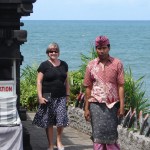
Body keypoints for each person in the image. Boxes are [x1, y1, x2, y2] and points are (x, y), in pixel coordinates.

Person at [83, 36, 124, 150]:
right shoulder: (91, 65)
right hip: (95, 105)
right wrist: (86, 108)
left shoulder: (117, 64)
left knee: (111, 136)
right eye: (99, 48)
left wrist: (121, 106)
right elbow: (88, 88)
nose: (101, 51)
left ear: (109, 48)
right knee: (98, 136)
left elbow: (120, 86)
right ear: (96, 49)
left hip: (112, 105)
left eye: (104, 48)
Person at [32, 42, 70, 150]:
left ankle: (58, 141)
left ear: (58, 52)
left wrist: (67, 94)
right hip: (47, 95)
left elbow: (66, 81)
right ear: (48, 53)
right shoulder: (44, 65)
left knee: (60, 120)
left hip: (61, 96)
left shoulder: (64, 64)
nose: (53, 52)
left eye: (55, 51)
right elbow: (39, 82)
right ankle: (50, 145)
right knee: (48, 120)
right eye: (51, 51)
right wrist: (40, 97)